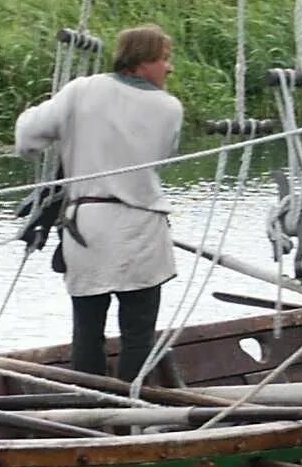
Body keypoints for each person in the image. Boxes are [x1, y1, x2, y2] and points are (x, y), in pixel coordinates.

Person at [15, 23, 185, 382]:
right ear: (140, 63)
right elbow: (163, 153)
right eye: (163, 59)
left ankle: (89, 405)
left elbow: (28, 137)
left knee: (87, 328)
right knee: (138, 333)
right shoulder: (169, 108)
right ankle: (133, 413)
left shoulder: (82, 91)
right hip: (141, 228)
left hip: (87, 227)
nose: (169, 68)